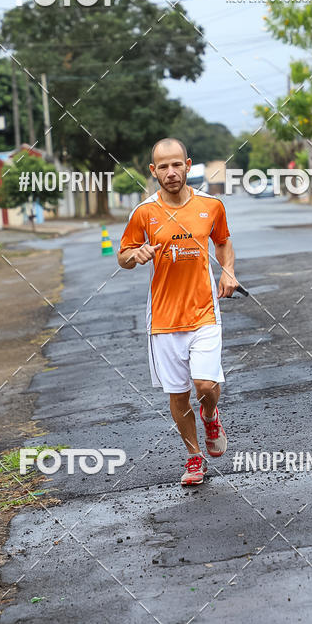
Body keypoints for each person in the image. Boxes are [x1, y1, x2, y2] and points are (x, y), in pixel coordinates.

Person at [118, 138, 238, 486]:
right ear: (153, 171)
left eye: (177, 165)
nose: (171, 173)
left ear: (188, 164)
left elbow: (223, 241)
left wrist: (228, 270)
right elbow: (123, 256)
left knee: (204, 384)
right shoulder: (143, 213)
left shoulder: (211, 206)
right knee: (177, 394)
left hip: (204, 311)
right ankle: (194, 457)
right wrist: (135, 255)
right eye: (163, 167)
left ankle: (211, 413)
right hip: (164, 318)